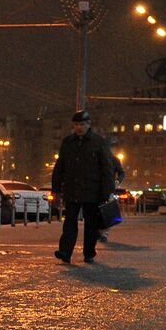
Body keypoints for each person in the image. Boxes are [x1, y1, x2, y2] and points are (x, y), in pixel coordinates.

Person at [51, 110, 116, 264]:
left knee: (91, 225)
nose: (78, 127)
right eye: (76, 125)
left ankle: (89, 253)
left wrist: (107, 191)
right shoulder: (68, 142)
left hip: (92, 191)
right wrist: (56, 188)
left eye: (81, 124)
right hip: (72, 189)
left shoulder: (98, 142)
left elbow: (107, 168)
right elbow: (60, 166)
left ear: (88, 125)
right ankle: (65, 252)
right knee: (69, 223)